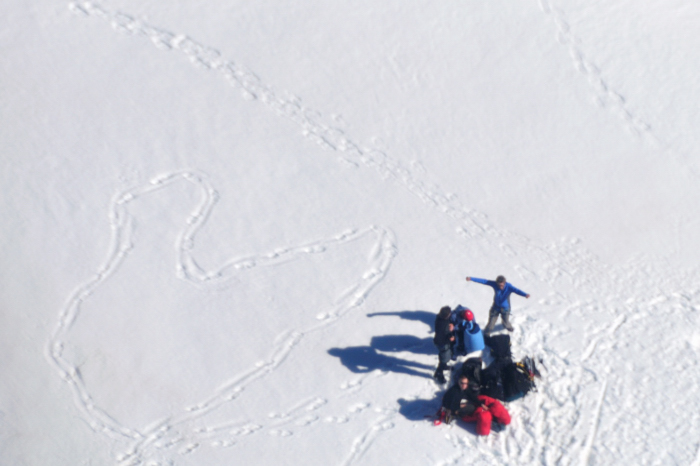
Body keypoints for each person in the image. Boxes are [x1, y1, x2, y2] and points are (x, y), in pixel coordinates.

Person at [440, 375, 510, 435]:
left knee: (481, 407)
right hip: (456, 408)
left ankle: (496, 421)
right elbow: (447, 403)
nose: (464, 385)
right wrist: (455, 410)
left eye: (466, 383)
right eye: (462, 383)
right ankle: (453, 415)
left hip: (464, 403)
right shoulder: (454, 392)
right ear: (458, 382)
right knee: (475, 411)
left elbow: (472, 396)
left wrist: (481, 404)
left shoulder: (465, 388)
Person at [433, 306, 454, 384]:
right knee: (443, 358)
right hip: (442, 343)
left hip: (443, 342)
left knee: (445, 356)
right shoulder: (441, 325)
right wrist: (449, 339)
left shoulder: (441, 318)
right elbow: (441, 338)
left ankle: (444, 365)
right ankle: (439, 373)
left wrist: (450, 326)